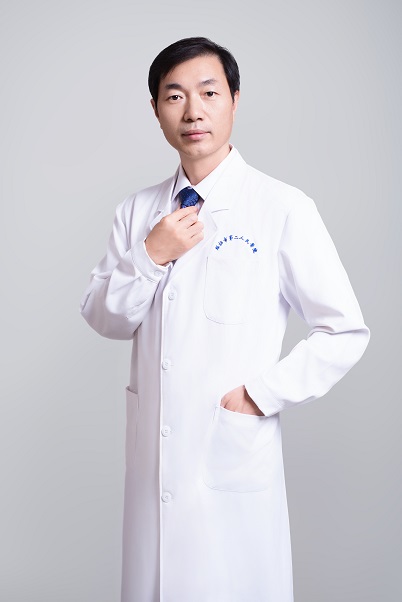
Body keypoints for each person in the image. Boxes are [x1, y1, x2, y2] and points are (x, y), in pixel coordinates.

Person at [80, 37, 370, 602]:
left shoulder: (281, 207)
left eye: (209, 93)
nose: (193, 111)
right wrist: (150, 255)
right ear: (156, 110)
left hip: (231, 454)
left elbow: (344, 330)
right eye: (175, 96)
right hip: (153, 464)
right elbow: (104, 317)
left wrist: (262, 395)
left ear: (234, 99)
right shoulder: (137, 212)